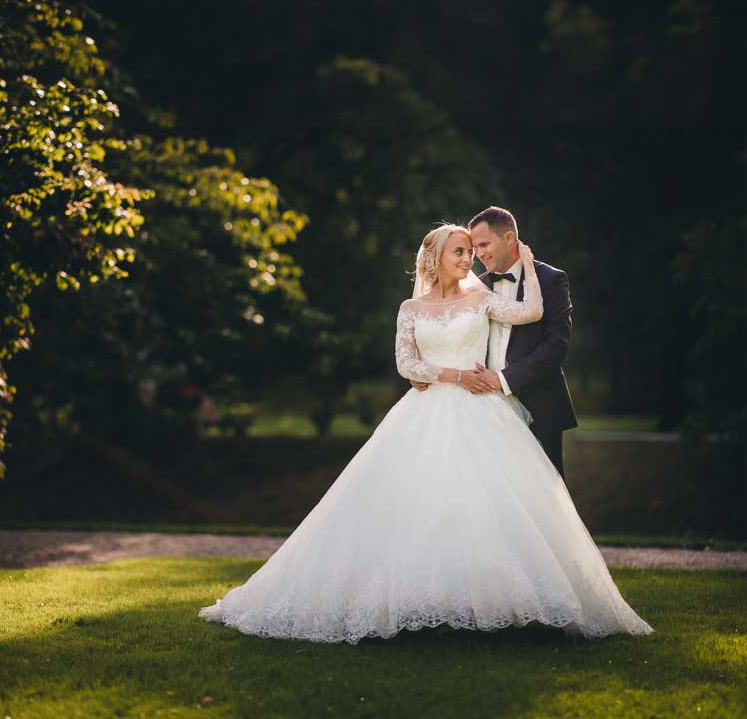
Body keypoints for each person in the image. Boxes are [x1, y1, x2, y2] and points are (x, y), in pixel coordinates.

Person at [198, 224, 653, 644]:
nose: (469, 258)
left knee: (486, 507)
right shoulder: (410, 308)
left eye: (472, 250)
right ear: (435, 257)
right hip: (429, 410)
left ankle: (499, 607)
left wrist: (529, 263)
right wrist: (456, 376)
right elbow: (406, 366)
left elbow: (532, 311)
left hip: (484, 414)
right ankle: (419, 606)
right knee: (418, 505)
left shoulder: (481, 300)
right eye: (460, 250)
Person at [412, 206, 578, 477]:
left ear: (510, 238)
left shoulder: (550, 279)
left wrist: (501, 379)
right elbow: (449, 333)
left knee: (545, 494)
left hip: (539, 405)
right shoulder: (475, 286)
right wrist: (425, 371)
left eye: (484, 244)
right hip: (482, 407)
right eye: (473, 248)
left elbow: (555, 347)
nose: (477, 254)